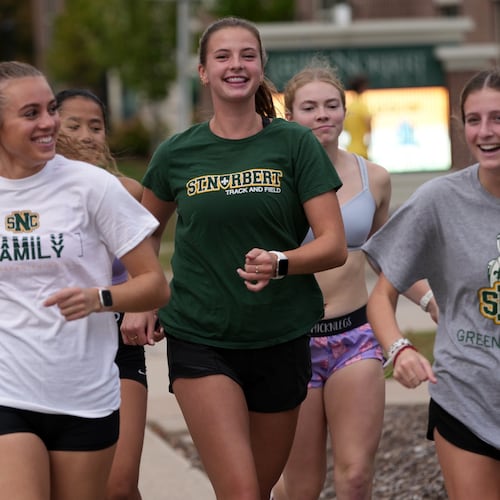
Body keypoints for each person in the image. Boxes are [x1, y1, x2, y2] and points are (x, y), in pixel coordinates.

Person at [121, 16, 348, 500]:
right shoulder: (177, 153)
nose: (236, 65)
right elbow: (140, 238)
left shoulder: (295, 143)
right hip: (201, 336)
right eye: (222, 56)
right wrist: (143, 297)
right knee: (243, 491)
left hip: (281, 336)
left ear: (261, 65)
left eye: (247, 55)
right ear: (203, 71)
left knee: (255, 492)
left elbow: (333, 244)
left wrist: (281, 262)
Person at [0, 61, 169, 500]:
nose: (49, 123)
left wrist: (101, 298)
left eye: (50, 109)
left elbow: (154, 285)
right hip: (8, 390)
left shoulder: (93, 187)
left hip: (84, 395)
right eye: (31, 113)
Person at [271, 62, 437, 500]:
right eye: (310, 107)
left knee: (357, 476)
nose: (323, 114)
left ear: (345, 112)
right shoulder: (275, 183)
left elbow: (389, 256)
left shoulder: (373, 178)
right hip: (293, 341)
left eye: (332, 105)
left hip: (355, 337)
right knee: (301, 485)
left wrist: (431, 301)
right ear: (290, 116)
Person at [363, 68, 500, 500]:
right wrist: (398, 349)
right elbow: (381, 298)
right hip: (467, 397)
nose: (486, 131)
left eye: (497, 118)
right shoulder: (439, 201)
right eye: (474, 120)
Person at [55, 88, 156, 500]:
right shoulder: (28, 198)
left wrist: (141, 305)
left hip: (118, 343)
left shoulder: (127, 191)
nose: (86, 135)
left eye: (95, 126)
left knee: (118, 485)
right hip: (54, 348)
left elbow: (150, 273)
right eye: (73, 125)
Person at [343, 74, 371, 159]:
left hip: (350, 149)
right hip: (362, 151)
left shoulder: (349, 107)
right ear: (362, 88)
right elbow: (368, 124)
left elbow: (345, 128)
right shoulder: (362, 106)